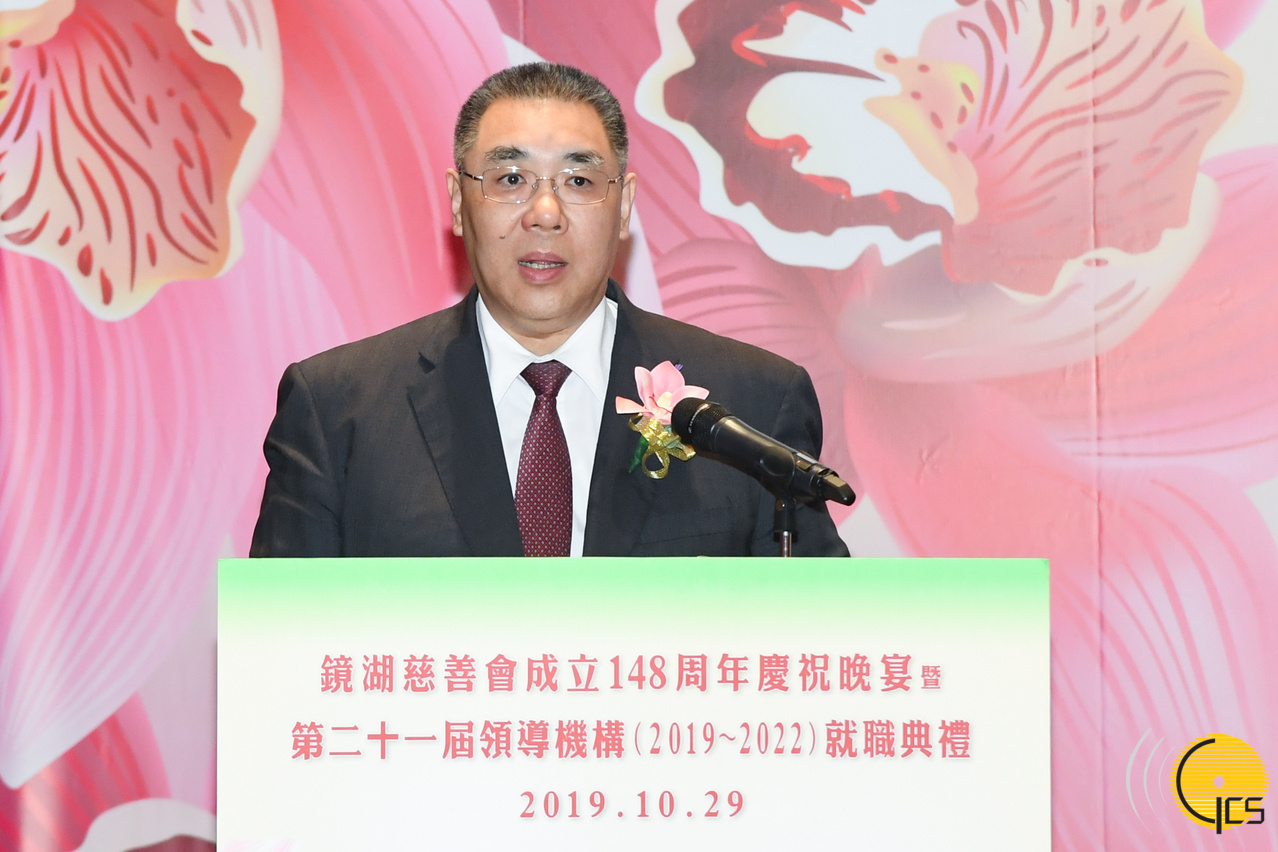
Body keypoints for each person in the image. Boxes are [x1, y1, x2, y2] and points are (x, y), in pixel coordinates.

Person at [249, 63, 848, 558]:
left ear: (623, 206)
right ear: (458, 202)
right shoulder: (337, 410)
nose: (544, 213)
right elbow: (280, 651)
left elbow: (820, 646)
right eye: (511, 178)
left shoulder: (754, 404)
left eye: (579, 182)